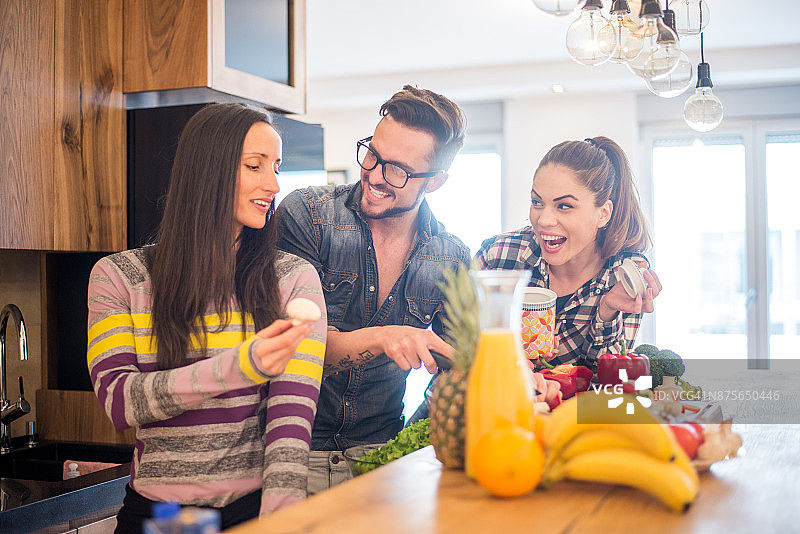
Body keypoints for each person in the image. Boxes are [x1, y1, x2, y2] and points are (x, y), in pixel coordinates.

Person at [86, 103, 327, 533]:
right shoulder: (118, 276)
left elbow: (291, 426)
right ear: (208, 170)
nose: (273, 184)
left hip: (249, 515)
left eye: (276, 167)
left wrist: (279, 523)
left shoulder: (293, 279)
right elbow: (119, 401)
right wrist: (241, 366)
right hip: (157, 519)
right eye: (255, 166)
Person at [275, 85, 472, 494]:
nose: (374, 175)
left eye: (397, 170)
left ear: (434, 182)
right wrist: (385, 338)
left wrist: (406, 448)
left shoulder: (450, 257)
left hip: (383, 460)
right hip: (289, 456)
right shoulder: (308, 217)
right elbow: (290, 348)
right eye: (372, 154)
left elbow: (456, 375)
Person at [475, 136, 662, 370]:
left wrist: (607, 313)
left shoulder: (623, 275)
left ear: (603, 214)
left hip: (578, 408)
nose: (543, 220)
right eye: (537, 202)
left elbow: (605, 384)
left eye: (564, 206)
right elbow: (454, 349)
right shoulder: (499, 256)